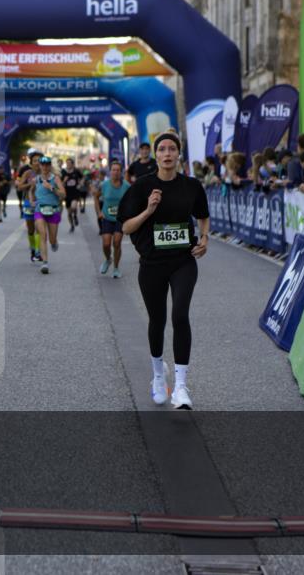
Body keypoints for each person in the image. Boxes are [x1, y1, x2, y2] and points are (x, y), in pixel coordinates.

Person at [117, 132, 210, 410]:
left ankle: (181, 386)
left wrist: (204, 239)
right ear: (155, 155)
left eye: (172, 149)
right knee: (156, 321)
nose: (167, 153)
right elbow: (125, 227)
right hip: (152, 264)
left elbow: (203, 216)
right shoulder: (141, 187)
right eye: (162, 149)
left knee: (180, 315)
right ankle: (159, 375)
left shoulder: (191, 186)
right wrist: (148, 210)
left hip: (183, 261)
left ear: (179, 154)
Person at [93, 160, 130, 279]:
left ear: (121, 172)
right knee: (106, 244)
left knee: (117, 242)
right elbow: (96, 197)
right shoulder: (104, 185)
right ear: (110, 171)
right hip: (107, 218)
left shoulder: (126, 186)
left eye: (118, 170)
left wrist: (128, 215)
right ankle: (108, 259)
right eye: (113, 170)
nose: (115, 172)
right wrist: (99, 212)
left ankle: (116, 268)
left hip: (120, 219)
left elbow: (132, 201)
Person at [29, 155, 66, 275]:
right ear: (39, 166)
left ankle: (54, 242)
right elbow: (31, 190)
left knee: (51, 239)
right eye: (42, 165)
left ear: (50, 166)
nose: (45, 167)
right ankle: (45, 263)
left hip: (53, 210)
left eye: (47, 165)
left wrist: (51, 187)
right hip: (40, 210)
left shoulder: (55, 179)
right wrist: (31, 201)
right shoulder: (36, 179)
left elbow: (63, 195)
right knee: (42, 235)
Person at [15, 149, 42, 262]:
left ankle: (38, 251)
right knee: (31, 229)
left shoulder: (45, 173)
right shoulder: (28, 173)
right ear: (31, 163)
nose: (37, 162)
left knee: (39, 228)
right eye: (35, 160)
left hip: (41, 203)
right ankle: (32, 249)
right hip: (28, 203)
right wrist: (29, 184)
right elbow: (20, 187)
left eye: (39, 160)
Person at [61, 157, 82, 232]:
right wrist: (64, 181)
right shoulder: (63, 172)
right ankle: (72, 225)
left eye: (69, 163)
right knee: (69, 212)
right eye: (67, 163)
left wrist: (80, 184)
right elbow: (60, 184)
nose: (68, 165)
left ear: (73, 164)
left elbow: (83, 177)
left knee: (73, 207)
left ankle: (75, 216)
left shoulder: (76, 171)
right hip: (67, 194)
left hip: (75, 192)